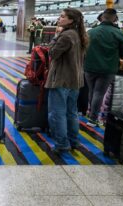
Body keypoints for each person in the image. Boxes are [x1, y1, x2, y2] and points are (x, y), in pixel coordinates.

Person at [45, 8, 89, 153]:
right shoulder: (78, 35)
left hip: (61, 80)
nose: (60, 18)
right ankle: (74, 141)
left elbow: (52, 53)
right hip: (75, 80)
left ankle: (62, 144)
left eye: (63, 17)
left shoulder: (65, 36)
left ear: (71, 20)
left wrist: (55, 36)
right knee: (71, 113)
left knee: (57, 114)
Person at [84, 8, 123, 127]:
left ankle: (90, 113)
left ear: (102, 18)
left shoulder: (90, 32)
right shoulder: (119, 33)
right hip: (107, 69)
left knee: (92, 91)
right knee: (99, 93)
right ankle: (93, 119)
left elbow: (83, 50)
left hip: (89, 67)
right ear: (115, 19)